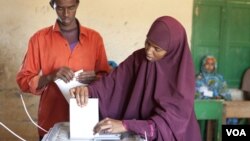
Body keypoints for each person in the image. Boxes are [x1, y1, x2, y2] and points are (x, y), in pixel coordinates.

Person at [70, 16, 202, 141]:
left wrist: (126, 125)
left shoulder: (181, 79)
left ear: (173, 50)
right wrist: (89, 91)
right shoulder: (139, 58)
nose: (149, 51)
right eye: (147, 43)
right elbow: (113, 82)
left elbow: (167, 127)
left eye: (157, 48)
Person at [16, 0, 110, 140]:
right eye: (60, 8)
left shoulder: (94, 39)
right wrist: (49, 77)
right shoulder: (39, 39)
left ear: (77, 4)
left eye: (71, 7)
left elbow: (107, 79)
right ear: (52, 5)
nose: (66, 14)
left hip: (87, 120)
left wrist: (95, 77)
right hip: (51, 121)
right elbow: (23, 81)